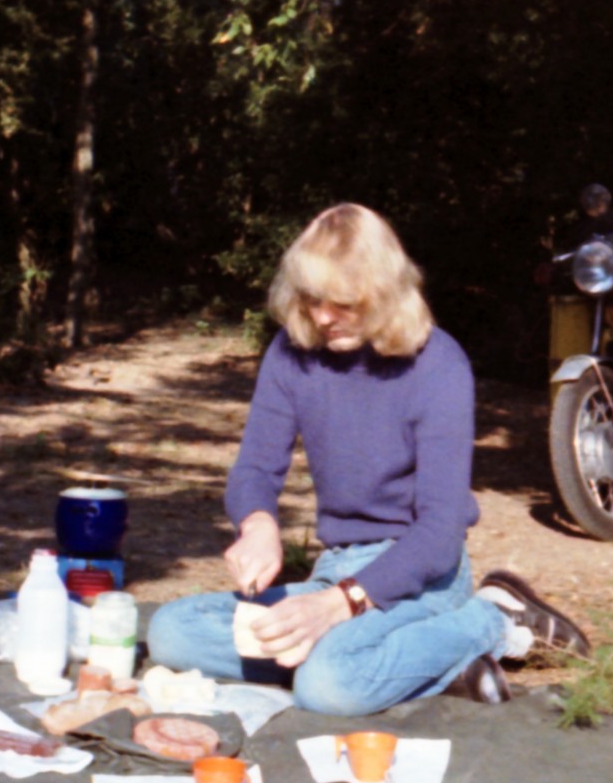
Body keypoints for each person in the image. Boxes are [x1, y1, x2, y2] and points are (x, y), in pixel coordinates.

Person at [147, 204, 588, 715]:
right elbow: (254, 469)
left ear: (383, 292)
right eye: (311, 299)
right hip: (335, 569)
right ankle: (421, 663)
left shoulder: (438, 365)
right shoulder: (292, 354)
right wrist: (258, 523)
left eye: (341, 302)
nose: (322, 317)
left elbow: (441, 531)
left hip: (421, 574)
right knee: (170, 633)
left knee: (328, 684)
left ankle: (494, 619)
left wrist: (338, 606)